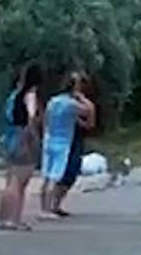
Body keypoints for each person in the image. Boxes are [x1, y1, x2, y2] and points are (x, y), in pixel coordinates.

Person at [41, 72, 95, 218]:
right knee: (55, 176)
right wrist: (82, 98)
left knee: (47, 175)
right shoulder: (71, 104)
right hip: (63, 141)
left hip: (49, 139)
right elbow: (89, 112)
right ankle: (48, 209)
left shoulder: (53, 101)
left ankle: (44, 207)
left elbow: (46, 120)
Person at [0, 63, 43, 231]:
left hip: (9, 138)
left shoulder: (14, 95)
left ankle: (5, 218)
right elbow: (31, 117)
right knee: (19, 182)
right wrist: (33, 136)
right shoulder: (30, 95)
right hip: (23, 140)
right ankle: (13, 219)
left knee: (10, 180)